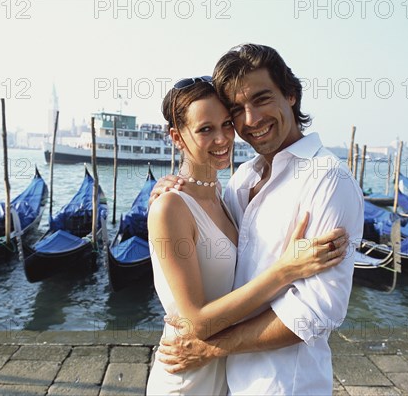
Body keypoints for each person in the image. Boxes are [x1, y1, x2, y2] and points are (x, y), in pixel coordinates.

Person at [152, 44, 364, 395]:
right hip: (224, 380)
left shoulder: (327, 180)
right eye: (237, 109)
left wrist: (211, 347)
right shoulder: (241, 181)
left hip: (284, 385)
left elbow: (316, 311)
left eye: (262, 99)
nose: (249, 120)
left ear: (291, 94)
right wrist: (169, 190)